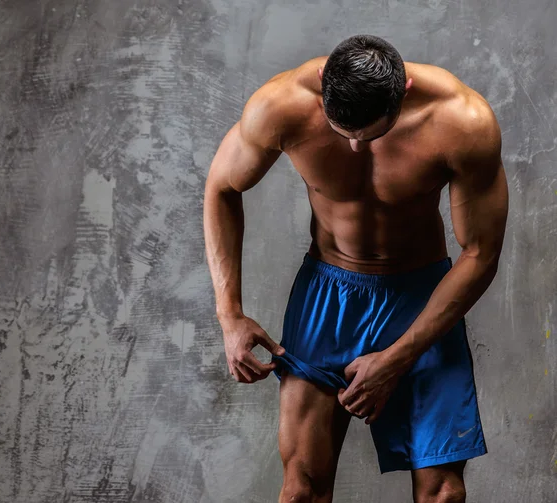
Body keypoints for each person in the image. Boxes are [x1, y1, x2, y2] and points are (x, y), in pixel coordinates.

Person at [203, 34, 508, 503]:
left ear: (402, 91)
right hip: (327, 297)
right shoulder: (281, 104)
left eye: (369, 135)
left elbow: (480, 252)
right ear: (325, 81)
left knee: (442, 494)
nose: (352, 148)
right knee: (302, 489)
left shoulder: (461, 120)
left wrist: (399, 357)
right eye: (341, 130)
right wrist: (230, 314)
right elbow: (222, 187)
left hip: (421, 299)